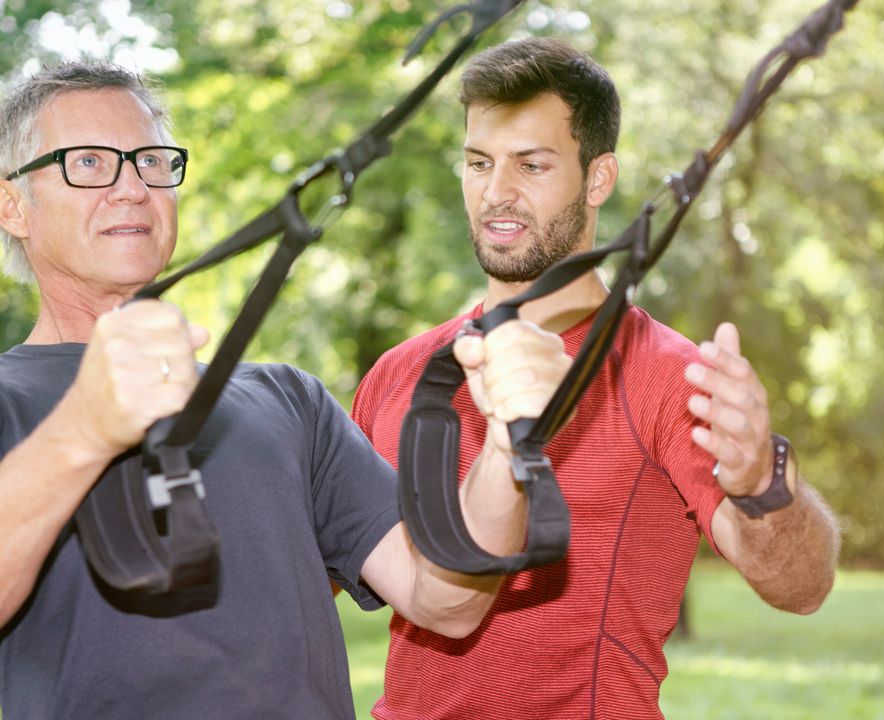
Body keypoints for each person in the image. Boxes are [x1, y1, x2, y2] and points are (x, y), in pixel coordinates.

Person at [0, 60, 572, 719]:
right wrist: (82, 431)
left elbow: (444, 598)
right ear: (11, 206)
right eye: (87, 162)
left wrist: (510, 441)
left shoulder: (288, 401)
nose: (132, 186)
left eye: (151, 161)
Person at [351, 38, 842, 719]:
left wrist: (764, 481)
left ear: (598, 178)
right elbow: (301, 584)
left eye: (532, 164)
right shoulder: (398, 375)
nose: (497, 191)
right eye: (478, 162)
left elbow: (802, 586)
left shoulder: (667, 375)